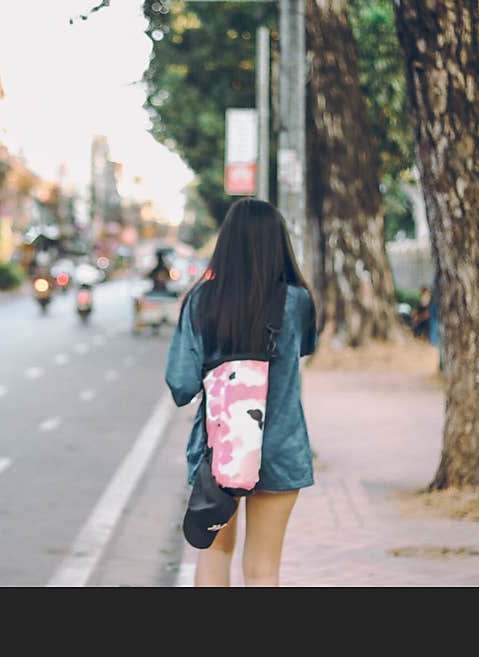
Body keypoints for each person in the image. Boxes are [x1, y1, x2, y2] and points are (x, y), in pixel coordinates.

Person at [165, 198, 318, 587]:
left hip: (218, 453)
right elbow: (303, 350)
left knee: (215, 554)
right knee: (264, 569)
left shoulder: (201, 301)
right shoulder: (297, 301)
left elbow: (180, 384)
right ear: (278, 244)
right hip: (281, 450)